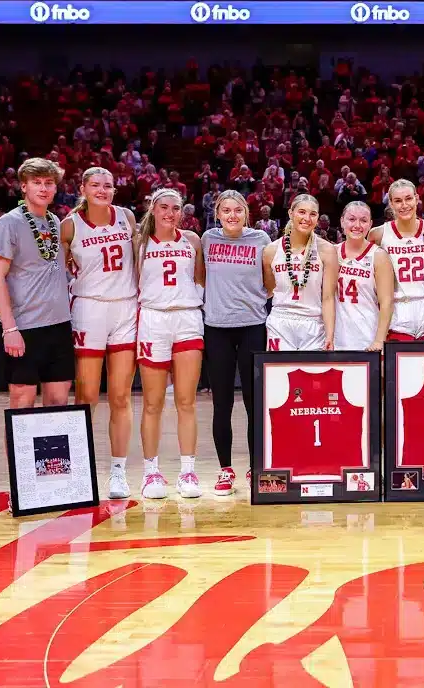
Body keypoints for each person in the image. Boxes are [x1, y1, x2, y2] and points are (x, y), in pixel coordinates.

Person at [61, 167, 139, 500]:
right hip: (89, 310)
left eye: (108, 185)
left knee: (121, 396)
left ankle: (118, 472)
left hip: (125, 308)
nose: (102, 190)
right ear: (83, 188)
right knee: (87, 395)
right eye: (95, 185)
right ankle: (80, 466)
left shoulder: (127, 217)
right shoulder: (69, 225)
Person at [136, 188, 207, 499]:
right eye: (163, 207)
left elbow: (200, 280)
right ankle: (151, 473)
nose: (169, 213)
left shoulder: (192, 240)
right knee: (152, 403)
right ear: (152, 209)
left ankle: (188, 471)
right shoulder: (137, 242)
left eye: (175, 208)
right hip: (153, 319)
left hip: (187, 319)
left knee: (186, 402)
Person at [0, 158, 73, 410]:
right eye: (36, 182)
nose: (44, 188)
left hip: (59, 325)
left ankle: (54, 453)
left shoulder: (55, 222)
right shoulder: (9, 223)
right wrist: (9, 329)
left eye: (49, 183)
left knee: (58, 401)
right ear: (23, 187)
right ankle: (20, 453)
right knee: (22, 401)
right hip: (24, 326)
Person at [202, 190, 271, 497]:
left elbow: (270, 282)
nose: (232, 215)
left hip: (253, 327)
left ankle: (255, 466)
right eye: (226, 210)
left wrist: (252, 300)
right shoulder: (207, 239)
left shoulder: (261, 240)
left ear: (247, 214)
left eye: (238, 210)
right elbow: (202, 278)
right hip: (217, 328)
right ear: (218, 214)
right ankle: (225, 469)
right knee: (222, 404)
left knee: (254, 402)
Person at [264, 193, 338, 350]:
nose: (307, 218)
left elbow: (328, 297)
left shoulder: (327, 250)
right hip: (280, 321)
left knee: (312, 374)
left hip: (314, 323)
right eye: (302, 212)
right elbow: (270, 290)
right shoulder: (271, 250)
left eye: (313, 214)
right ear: (291, 213)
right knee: (278, 374)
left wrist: (330, 334)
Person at [368, 180, 424, 341]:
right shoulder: (378, 234)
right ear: (390, 203)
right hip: (397, 310)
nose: (404, 205)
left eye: (408, 199)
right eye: (398, 201)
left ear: (417, 198)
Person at [334, 200, 395, 351]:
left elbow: (386, 302)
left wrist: (379, 340)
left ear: (370, 224)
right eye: (352, 219)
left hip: (366, 336)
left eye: (363, 220)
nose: (357, 225)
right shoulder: (331, 252)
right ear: (342, 221)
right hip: (336, 336)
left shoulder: (379, 255)